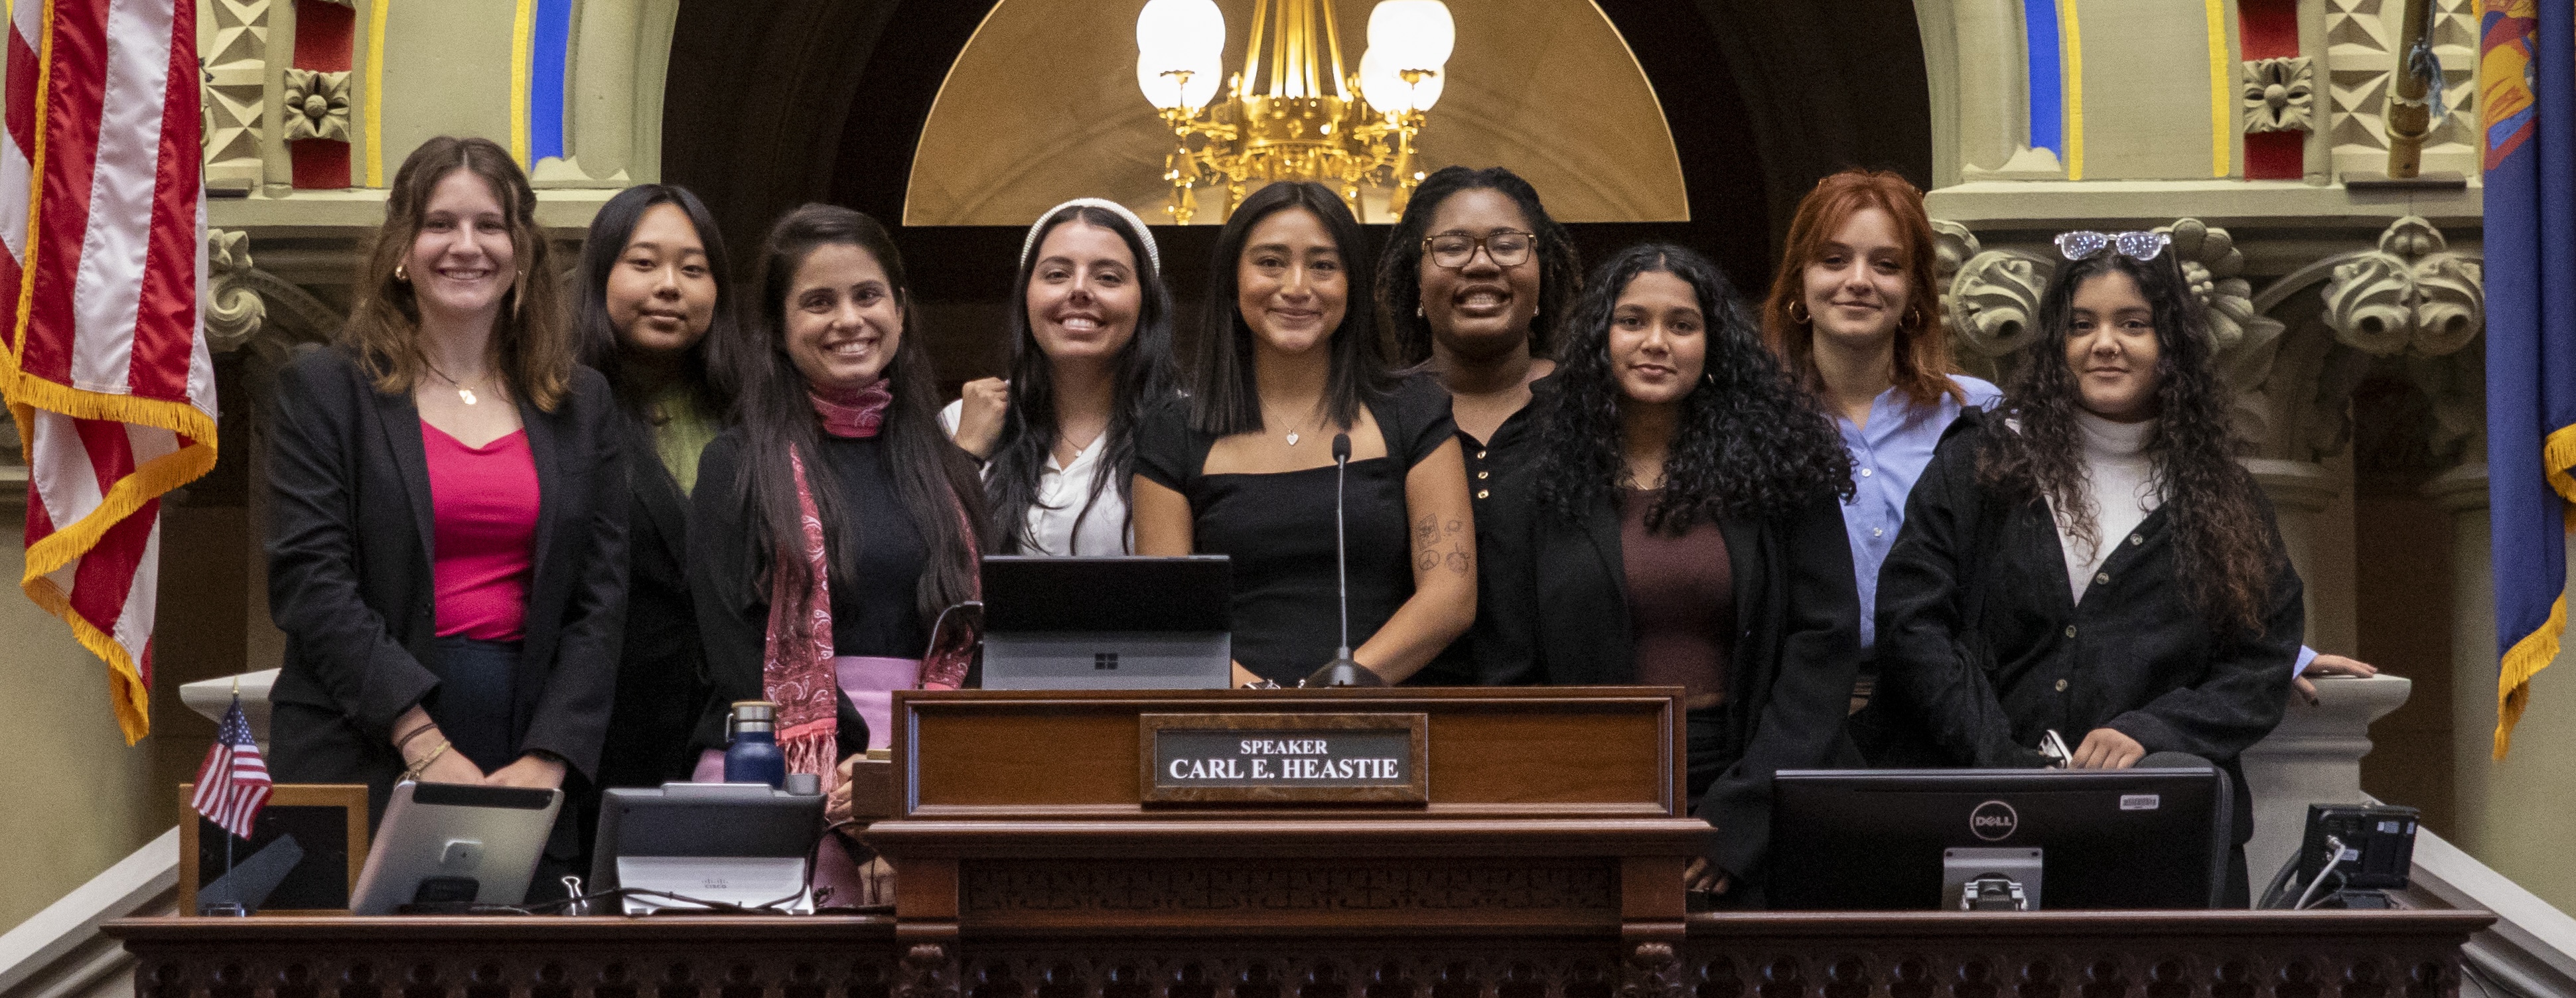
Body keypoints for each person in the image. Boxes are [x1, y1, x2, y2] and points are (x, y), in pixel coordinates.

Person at [1874, 228, 2305, 905]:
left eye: (2134, 324)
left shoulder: (2224, 495)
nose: (2106, 343)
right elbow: (1912, 622)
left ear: (2173, 346)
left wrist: (2151, 731)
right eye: (2083, 325)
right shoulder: (1983, 463)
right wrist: (2003, 763)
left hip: (2158, 848)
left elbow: (2260, 662)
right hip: (1983, 824)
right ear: (2056, 344)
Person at [265, 137, 628, 890]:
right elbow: (311, 581)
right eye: (440, 224)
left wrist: (548, 759)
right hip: (360, 739)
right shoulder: (327, 388)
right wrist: (421, 741)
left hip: (527, 750)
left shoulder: (581, 402)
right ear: (402, 248)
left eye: (491, 226)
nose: (467, 246)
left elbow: (601, 603)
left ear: (522, 251)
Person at [1476, 243, 1859, 908]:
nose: (1656, 342)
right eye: (1632, 322)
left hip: (1762, 787)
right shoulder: (1527, 488)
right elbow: (1510, 678)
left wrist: (1739, 820)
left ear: (1714, 345)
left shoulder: (1782, 474)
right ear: (1600, 338)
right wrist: (1587, 815)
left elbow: (1822, 643)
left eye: (1682, 325)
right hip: (1588, 802)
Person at [1133, 181, 1476, 687]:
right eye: (1271, 263)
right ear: (1233, 282)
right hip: (1227, 736)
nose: (1297, 287)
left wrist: (1338, 690)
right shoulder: (1172, 432)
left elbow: (1450, 594)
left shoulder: (1413, 409)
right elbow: (1171, 618)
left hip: (1386, 725)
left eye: (1323, 265)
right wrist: (1263, 704)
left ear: (1351, 285)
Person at [687, 203, 985, 782]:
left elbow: (978, 640)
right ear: (777, 327)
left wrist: (904, 776)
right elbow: (732, 650)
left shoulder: (953, 470)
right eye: (819, 302)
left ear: (900, 310)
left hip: (933, 765)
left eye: (868, 296)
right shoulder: (735, 464)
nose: (849, 320)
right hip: (775, 763)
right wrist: (854, 774)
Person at [1374, 167, 1580, 683]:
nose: (1482, 264)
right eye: (1452, 246)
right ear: (1415, 277)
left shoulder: (1594, 406)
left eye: (1509, 245)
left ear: (1543, 271)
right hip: (1400, 728)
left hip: (1570, 725)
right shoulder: (1371, 415)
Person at [571, 184, 738, 794]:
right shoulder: (557, 410)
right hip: (599, 728)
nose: (670, 285)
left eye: (694, 270)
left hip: (731, 731)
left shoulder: (752, 412)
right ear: (599, 276)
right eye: (643, 264)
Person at [941, 198, 1182, 555]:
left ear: (1145, 302)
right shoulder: (963, 420)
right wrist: (965, 456)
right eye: (1056, 274)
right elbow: (925, 564)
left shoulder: (1188, 428)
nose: (1079, 289)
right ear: (1026, 296)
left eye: (1108, 277)